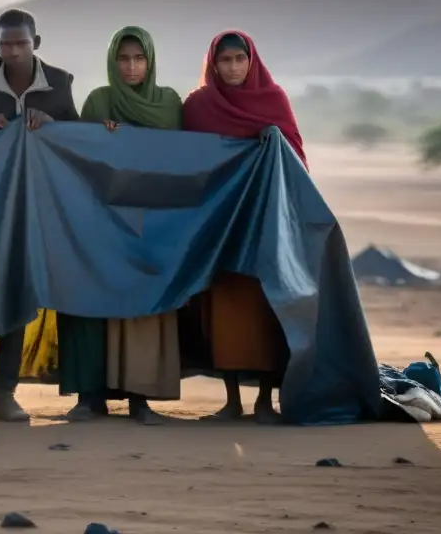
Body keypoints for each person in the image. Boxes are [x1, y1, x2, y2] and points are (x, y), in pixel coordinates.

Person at [0, 8, 80, 424]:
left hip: (34, 205)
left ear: (36, 43)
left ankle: (6, 392)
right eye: (5, 44)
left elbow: (77, 137)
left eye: (21, 43)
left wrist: (52, 123)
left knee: (19, 290)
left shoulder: (60, 83)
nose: (13, 51)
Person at [57, 26, 183, 426]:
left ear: (150, 60)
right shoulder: (99, 101)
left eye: (139, 58)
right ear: (113, 62)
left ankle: (140, 398)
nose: (131, 67)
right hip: (101, 220)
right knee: (90, 300)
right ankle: (88, 396)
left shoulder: (168, 103)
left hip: (151, 222)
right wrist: (102, 137)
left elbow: (179, 159)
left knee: (143, 306)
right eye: (123, 59)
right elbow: (82, 158)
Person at [181, 30, 303, 423]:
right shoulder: (199, 105)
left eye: (239, 59)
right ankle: (231, 401)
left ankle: (266, 401)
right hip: (220, 224)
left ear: (251, 62)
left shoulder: (274, 99)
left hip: (265, 224)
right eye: (225, 60)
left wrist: (275, 141)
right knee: (223, 312)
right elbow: (186, 160)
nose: (232, 67)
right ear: (213, 64)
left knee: (267, 308)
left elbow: (296, 158)